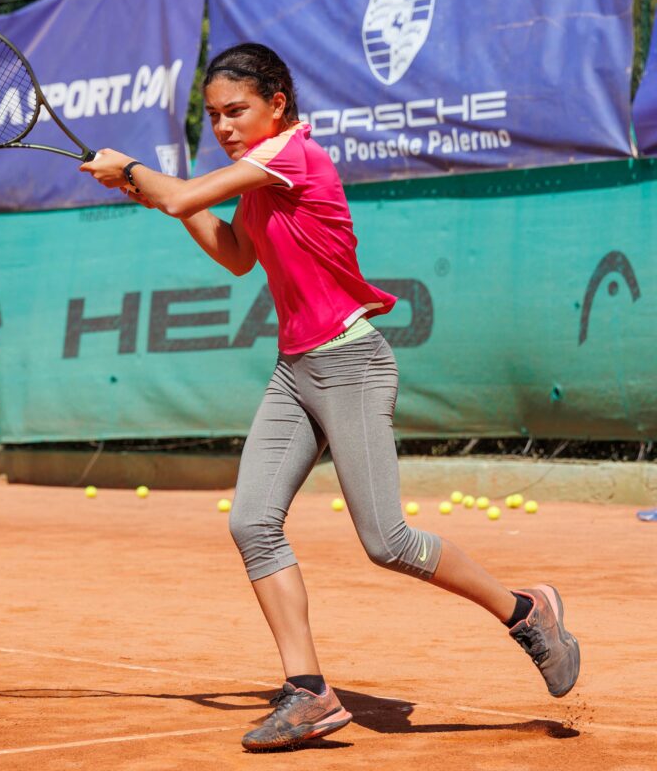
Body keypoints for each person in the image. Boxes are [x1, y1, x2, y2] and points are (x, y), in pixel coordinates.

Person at [80, 43, 580, 752]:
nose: (223, 125)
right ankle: (310, 693)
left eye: (236, 110)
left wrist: (136, 172)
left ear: (276, 104)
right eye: (214, 115)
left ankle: (527, 610)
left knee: (387, 541)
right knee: (252, 522)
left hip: (350, 364)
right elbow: (235, 255)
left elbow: (186, 192)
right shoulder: (257, 184)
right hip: (295, 372)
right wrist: (155, 195)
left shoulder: (293, 155)